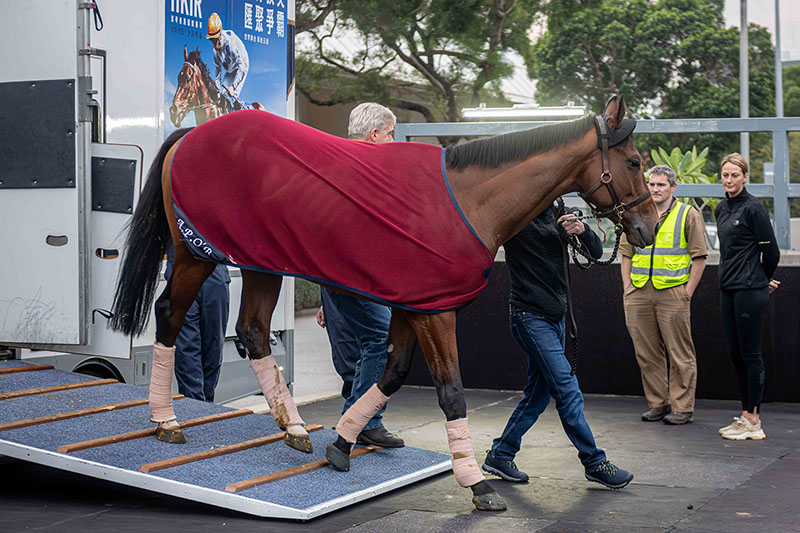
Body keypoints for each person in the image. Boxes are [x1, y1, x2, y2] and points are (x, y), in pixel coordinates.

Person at [482, 201, 633, 489]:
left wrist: (582, 230)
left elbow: (596, 253)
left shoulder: (556, 212)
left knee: (538, 395)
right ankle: (594, 462)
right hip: (529, 317)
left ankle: (501, 454)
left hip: (555, 317)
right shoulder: (517, 213)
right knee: (567, 389)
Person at [315, 102, 404, 448]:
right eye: (391, 133)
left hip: (343, 277)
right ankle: (359, 420)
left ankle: (365, 420)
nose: (393, 141)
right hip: (351, 276)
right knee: (378, 340)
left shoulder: (339, 164)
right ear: (375, 133)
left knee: (365, 348)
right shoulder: (360, 169)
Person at [620, 165, 707, 425]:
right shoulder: (636, 213)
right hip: (638, 292)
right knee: (647, 353)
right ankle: (658, 403)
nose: (655, 189)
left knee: (679, 353)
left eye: (661, 185)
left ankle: (682, 408)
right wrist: (627, 288)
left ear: (673, 187)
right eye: (652, 184)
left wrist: (687, 293)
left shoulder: (687, 214)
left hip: (672, 293)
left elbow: (700, 257)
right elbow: (626, 254)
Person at [715, 153, 780, 440]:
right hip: (728, 288)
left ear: (745, 177)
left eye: (734, 175)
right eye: (725, 175)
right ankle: (745, 416)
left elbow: (772, 252)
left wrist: (761, 279)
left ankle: (754, 419)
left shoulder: (754, 209)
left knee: (750, 354)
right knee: (735, 353)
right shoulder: (721, 209)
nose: (729, 180)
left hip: (750, 290)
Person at [165, 246, 231, 402]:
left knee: (213, 348)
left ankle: (205, 407)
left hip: (215, 270)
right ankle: (195, 409)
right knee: (187, 350)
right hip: (182, 269)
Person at [206, 12, 249, 103]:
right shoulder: (215, 53)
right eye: (211, 40)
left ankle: (237, 106)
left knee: (233, 97)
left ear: (220, 34)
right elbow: (218, 74)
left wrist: (233, 86)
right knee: (221, 94)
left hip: (241, 66)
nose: (214, 44)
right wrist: (217, 89)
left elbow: (241, 67)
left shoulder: (230, 44)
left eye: (215, 39)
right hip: (230, 69)